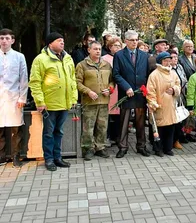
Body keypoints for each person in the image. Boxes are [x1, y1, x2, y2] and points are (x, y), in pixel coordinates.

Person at [29, 32, 78, 171]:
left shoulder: (67, 58)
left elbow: (72, 79)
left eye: (63, 40)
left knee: (59, 132)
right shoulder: (41, 59)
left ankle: (58, 157)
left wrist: (73, 98)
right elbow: (35, 83)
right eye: (59, 40)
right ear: (50, 43)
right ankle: (49, 159)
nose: (62, 43)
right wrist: (40, 102)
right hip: (49, 104)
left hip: (64, 102)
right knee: (49, 133)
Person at [113, 30, 150, 158]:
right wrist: (126, 87)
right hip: (126, 93)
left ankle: (141, 146)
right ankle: (122, 147)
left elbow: (147, 74)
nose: (135, 42)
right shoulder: (119, 55)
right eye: (132, 40)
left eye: (136, 40)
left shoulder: (144, 55)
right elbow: (116, 74)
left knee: (140, 121)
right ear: (126, 41)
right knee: (124, 121)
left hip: (140, 93)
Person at [76, 41, 114, 160]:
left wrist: (110, 89)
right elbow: (77, 82)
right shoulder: (82, 65)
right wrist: (88, 91)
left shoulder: (107, 65)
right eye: (95, 49)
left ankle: (100, 147)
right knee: (88, 127)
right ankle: (88, 148)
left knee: (102, 126)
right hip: (89, 102)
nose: (98, 51)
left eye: (99, 49)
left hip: (103, 101)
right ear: (89, 50)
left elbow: (112, 81)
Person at [0, 29, 28, 168]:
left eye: (6, 38)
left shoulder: (19, 57)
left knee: (16, 129)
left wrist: (22, 98)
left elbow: (23, 79)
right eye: (1, 38)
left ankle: (16, 155)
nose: (4, 41)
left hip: (14, 98)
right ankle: (1, 156)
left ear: (12, 40)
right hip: (0, 98)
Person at [146, 52, 181, 157]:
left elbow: (178, 85)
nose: (167, 63)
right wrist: (153, 103)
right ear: (160, 61)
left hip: (171, 106)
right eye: (165, 61)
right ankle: (158, 149)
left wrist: (174, 90)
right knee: (159, 129)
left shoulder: (173, 73)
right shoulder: (154, 75)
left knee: (170, 128)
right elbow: (150, 91)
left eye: (169, 60)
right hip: (159, 106)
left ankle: (168, 148)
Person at [102, 37, 123, 147]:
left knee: (120, 115)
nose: (117, 48)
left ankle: (118, 137)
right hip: (110, 89)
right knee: (109, 115)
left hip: (121, 89)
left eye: (119, 46)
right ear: (110, 47)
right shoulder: (105, 59)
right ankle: (108, 137)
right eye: (115, 45)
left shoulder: (124, 57)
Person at [179, 40, 196, 142]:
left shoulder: (195, 58)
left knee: (192, 113)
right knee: (186, 111)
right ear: (183, 48)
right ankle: (183, 134)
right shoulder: (181, 59)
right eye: (187, 46)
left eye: (191, 46)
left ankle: (189, 133)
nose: (190, 48)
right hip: (186, 88)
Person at [170, 49, 189, 148]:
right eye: (172, 57)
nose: (175, 59)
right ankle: (173, 140)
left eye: (176, 57)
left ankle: (179, 138)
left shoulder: (180, 67)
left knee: (181, 117)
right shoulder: (168, 69)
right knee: (174, 119)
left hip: (182, 95)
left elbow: (184, 79)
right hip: (172, 96)